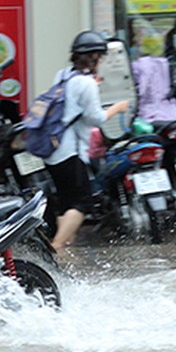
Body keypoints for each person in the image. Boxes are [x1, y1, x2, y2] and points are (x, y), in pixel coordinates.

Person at [44, 30, 130, 253]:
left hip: (52, 150)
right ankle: (58, 246)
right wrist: (117, 108)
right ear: (95, 58)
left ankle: (66, 248)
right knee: (82, 203)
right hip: (70, 151)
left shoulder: (63, 75)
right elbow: (96, 118)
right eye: (100, 57)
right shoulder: (86, 84)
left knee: (66, 201)